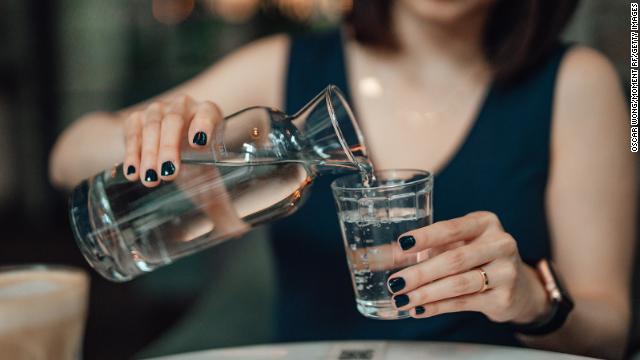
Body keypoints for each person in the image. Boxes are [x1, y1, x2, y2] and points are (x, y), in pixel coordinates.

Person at [50, 0, 636, 358]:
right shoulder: (283, 67)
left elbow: (610, 330)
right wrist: (153, 137)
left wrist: (535, 301)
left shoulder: (578, 83)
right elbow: (67, 155)